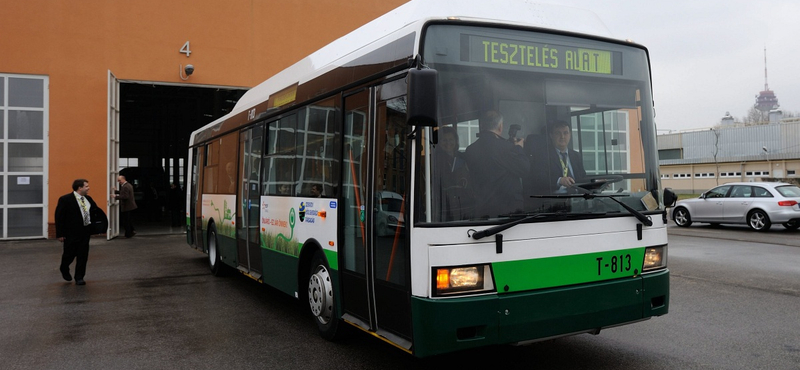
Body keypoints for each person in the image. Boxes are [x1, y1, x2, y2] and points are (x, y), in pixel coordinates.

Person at [463, 110, 529, 218]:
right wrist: (518, 148)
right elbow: (524, 169)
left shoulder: (470, 149)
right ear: (500, 127)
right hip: (508, 212)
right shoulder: (507, 148)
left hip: (481, 210)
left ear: (481, 125)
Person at [55, 179, 100, 285]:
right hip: (71, 233)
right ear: (80, 188)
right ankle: (64, 268)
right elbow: (59, 217)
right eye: (86, 186)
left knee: (83, 255)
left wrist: (98, 226)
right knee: (69, 255)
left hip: (85, 231)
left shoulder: (88, 199)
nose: (88, 188)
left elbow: (95, 212)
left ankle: (79, 277)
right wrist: (60, 233)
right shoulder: (65, 199)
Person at [434, 126, 472, 220]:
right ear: (438, 142)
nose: (448, 143)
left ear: (456, 141)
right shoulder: (434, 160)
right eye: (444, 140)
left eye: (451, 139)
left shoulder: (463, 157)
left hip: (465, 203)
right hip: (444, 204)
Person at [541, 120, 586, 193]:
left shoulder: (576, 156)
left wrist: (596, 182)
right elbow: (539, 179)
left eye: (565, 133)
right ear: (551, 135)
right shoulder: (543, 155)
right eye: (558, 133)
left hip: (577, 199)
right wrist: (559, 181)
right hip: (555, 200)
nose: (562, 136)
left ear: (570, 135)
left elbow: (582, 178)